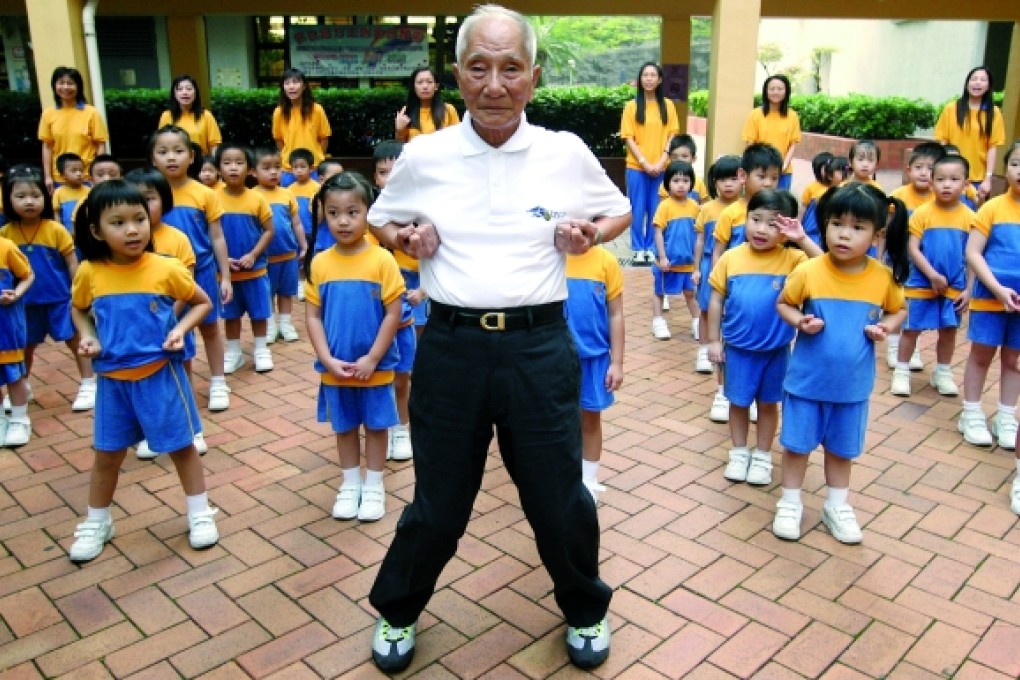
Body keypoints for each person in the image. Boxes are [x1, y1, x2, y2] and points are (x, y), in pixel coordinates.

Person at [365, 5, 630, 673]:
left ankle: (586, 608)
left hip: (538, 349)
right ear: (457, 76)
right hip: (451, 348)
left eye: (510, 68)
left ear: (533, 79)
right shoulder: (425, 154)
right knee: (440, 503)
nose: (494, 83)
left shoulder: (563, 151)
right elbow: (378, 219)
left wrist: (589, 236)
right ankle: (398, 612)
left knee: (557, 496)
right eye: (478, 67)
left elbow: (619, 206)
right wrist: (405, 239)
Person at [67, 180, 218, 562]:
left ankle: (200, 513)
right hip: (113, 382)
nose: (132, 229)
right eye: (118, 222)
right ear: (97, 231)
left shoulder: (166, 268)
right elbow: (79, 308)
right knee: (107, 454)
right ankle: (97, 520)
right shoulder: (89, 271)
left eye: (139, 219)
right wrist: (88, 336)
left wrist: (179, 330)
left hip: (160, 375)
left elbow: (201, 301)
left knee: (182, 447)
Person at [773, 182, 909, 544]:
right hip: (805, 383)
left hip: (852, 388)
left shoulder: (881, 278)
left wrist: (885, 327)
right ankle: (789, 502)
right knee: (797, 446)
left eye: (857, 227)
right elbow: (785, 303)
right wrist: (799, 321)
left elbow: (899, 310)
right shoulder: (809, 271)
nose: (844, 235)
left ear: (877, 234)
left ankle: (837, 505)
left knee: (841, 449)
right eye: (836, 224)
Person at [304, 172, 403, 521]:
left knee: (376, 427)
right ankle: (350, 483)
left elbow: (394, 313)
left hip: (374, 367)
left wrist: (373, 357)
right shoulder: (320, 262)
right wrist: (326, 358)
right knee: (344, 427)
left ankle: (374, 485)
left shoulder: (382, 260)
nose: (343, 221)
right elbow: (313, 316)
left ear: (368, 212)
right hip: (336, 368)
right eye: (333, 213)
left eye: (352, 212)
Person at [707, 189, 821, 487]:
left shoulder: (793, 258)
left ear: (785, 229)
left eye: (773, 224)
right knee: (738, 402)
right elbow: (716, 300)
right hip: (737, 349)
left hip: (776, 350)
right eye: (755, 219)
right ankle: (739, 452)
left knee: (769, 404)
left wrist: (800, 238)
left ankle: (762, 455)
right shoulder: (731, 258)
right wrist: (714, 341)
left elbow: (824, 264)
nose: (761, 229)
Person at [124, 167, 209, 458]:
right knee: (144, 381)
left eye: (148, 199)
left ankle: (191, 430)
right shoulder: (122, 244)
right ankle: (151, 432)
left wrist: (167, 319)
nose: (142, 208)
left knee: (180, 378)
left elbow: (187, 287)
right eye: (134, 200)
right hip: (135, 330)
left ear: (164, 200)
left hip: (173, 323)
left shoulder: (177, 239)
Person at [0, 165, 96, 415]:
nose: (29, 202)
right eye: (20, 196)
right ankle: (22, 385)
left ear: (46, 197)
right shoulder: (6, 234)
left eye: (35, 195)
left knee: (74, 340)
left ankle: (88, 383)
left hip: (60, 299)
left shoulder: (56, 230)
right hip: (22, 303)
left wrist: (79, 294)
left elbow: (72, 263)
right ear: (8, 200)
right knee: (24, 346)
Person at [150, 125, 234, 412]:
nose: (171, 158)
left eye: (178, 151)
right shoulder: (148, 195)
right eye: (162, 152)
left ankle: (218, 381)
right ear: (153, 159)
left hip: (202, 273)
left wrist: (226, 277)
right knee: (175, 331)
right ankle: (182, 386)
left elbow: (218, 236)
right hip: (164, 278)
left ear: (192, 156)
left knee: (210, 328)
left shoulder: (205, 194)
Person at [890, 153, 973, 399]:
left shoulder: (970, 217)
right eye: (941, 179)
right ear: (932, 182)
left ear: (966, 183)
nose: (947, 185)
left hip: (955, 286)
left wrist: (969, 289)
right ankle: (902, 371)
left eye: (954, 179)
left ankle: (943, 372)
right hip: (921, 282)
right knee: (912, 328)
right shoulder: (922, 213)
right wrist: (933, 275)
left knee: (948, 330)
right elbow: (913, 248)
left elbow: (973, 256)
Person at [958, 139, 1020, 458]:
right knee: (981, 354)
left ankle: (1006, 416)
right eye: (1015, 164)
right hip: (989, 297)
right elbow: (973, 252)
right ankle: (971, 412)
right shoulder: (992, 207)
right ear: (1004, 169)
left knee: (1014, 360)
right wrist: (997, 288)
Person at [566, 243, 624, 504]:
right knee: (555, 421)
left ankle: (588, 479)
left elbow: (616, 313)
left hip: (595, 358)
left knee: (590, 418)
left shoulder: (607, 262)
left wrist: (617, 362)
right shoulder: (548, 256)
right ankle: (559, 475)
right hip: (553, 358)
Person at [887, 142, 951, 376]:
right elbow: (887, 230)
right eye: (919, 167)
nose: (924, 172)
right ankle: (894, 345)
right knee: (898, 301)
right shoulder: (898, 197)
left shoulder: (940, 200)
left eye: (930, 168)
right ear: (908, 170)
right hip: (900, 257)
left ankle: (911, 349)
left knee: (917, 307)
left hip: (925, 263)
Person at [373, 140, 415, 461]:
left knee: (404, 371)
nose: (388, 178)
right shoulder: (368, 216)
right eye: (382, 172)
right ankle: (384, 427)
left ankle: (402, 427)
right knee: (379, 371)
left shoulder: (422, 207)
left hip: (410, 296)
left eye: (395, 171)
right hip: (377, 305)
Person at [215, 143, 275, 374]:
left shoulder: (257, 199)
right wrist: (223, 261)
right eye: (227, 162)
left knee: (259, 312)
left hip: (255, 271)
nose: (233, 168)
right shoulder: (211, 199)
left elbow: (269, 230)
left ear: (249, 169)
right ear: (219, 168)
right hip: (227, 272)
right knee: (231, 315)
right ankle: (234, 352)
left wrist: (253, 254)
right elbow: (209, 234)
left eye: (239, 163)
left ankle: (261, 350)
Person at [620, 62, 679, 264]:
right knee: (637, 208)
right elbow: (628, 138)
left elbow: (672, 135)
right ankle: (637, 248)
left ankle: (652, 247)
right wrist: (645, 163)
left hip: (661, 168)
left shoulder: (668, 106)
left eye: (653, 75)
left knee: (656, 208)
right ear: (640, 79)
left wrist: (662, 160)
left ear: (660, 79)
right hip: (636, 167)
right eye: (645, 75)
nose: (649, 78)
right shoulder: (631, 106)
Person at [694, 155, 741, 377]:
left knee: (730, 310)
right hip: (708, 264)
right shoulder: (707, 209)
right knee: (706, 308)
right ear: (714, 182)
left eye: (733, 178)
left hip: (737, 267)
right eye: (722, 179)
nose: (728, 184)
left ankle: (726, 349)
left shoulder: (748, 209)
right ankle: (704, 349)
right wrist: (696, 268)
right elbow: (701, 240)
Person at [253, 147, 307, 344]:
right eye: (266, 168)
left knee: (286, 291)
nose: (273, 172)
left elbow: (297, 223)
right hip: (264, 257)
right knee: (266, 293)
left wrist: (303, 245)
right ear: (253, 171)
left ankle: (285, 323)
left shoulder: (287, 194)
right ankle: (270, 325)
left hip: (288, 255)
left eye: (277, 167)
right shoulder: (252, 196)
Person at [935, 66, 1005, 202]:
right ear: (967, 83)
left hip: (976, 179)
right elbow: (943, 142)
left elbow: (992, 147)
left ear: (988, 86)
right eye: (974, 79)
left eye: (983, 80)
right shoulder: (951, 108)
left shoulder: (994, 112)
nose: (977, 83)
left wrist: (988, 178)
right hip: (950, 177)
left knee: (969, 219)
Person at [649, 160, 700, 342]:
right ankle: (658, 320)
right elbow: (658, 232)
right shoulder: (665, 206)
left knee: (690, 294)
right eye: (676, 180)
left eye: (686, 181)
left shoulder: (695, 206)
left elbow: (698, 235)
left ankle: (697, 322)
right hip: (668, 263)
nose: (681, 185)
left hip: (687, 262)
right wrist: (662, 257)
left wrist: (697, 263)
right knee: (659, 292)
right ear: (668, 183)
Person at [38, 66, 109, 192]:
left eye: (70, 83)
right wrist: (48, 177)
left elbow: (100, 145)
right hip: (59, 178)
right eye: (61, 83)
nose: (65, 87)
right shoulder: (48, 114)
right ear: (54, 86)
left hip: (86, 177)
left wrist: (97, 174)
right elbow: (47, 147)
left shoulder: (91, 113)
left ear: (78, 86)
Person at [0, 231, 34, 447]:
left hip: (5, 325)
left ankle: (20, 418)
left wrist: (16, 294)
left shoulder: (5, 247)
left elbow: (28, 274)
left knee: (13, 374)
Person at [273, 69, 332, 187]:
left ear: (304, 86)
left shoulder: (317, 110)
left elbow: (324, 138)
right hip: (289, 170)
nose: (291, 87)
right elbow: (279, 140)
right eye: (287, 83)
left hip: (313, 169)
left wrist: (316, 159)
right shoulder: (279, 112)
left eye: (295, 82)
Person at [742, 74, 802, 191]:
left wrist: (783, 165)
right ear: (766, 91)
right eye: (772, 89)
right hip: (760, 171)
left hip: (783, 171)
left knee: (780, 205)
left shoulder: (792, 116)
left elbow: (793, 144)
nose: (776, 92)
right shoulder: (755, 115)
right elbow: (751, 143)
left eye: (780, 89)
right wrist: (756, 166)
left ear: (786, 92)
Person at [157, 74, 223, 156]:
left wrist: (215, 165)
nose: (185, 92)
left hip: (200, 164)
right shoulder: (166, 116)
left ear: (195, 93)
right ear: (174, 94)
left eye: (189, 89)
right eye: (180, 89)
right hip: (174, 162)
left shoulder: (206, 115)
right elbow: (161, 143)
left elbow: (214, 145)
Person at [288, 149, 320, 303]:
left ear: (311, 168)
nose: (299, 171)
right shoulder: (289, 190)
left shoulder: (316, 187)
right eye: (295, 167)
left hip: (313, 230)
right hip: (296, 232)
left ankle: (312, 285)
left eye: (303, 167)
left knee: (312, 259)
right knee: (299, 259)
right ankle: (300, 285)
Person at [395, 66, 460, 142]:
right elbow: (401, 146)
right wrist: (400, 129)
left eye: (429, 82)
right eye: (420, 82)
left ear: (436, 86)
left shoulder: (448, 109)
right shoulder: (406, 111)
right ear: (413, 87)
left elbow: (458, 140)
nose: (425, 86)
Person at [801, 151, 845, 247]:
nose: (829, 171)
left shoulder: (840, 187)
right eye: (826, 168)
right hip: (812, 227)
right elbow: (804, 206)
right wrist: (799, 222)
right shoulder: (812, 187)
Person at [657, 135, 709, 204]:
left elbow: (703, 208)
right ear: (669, 158)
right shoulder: (665, 184)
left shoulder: (699, 183)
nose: (679, 160)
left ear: (693, 158)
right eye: (675, 157)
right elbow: (662, 209)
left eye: (684, 156)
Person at [52, 153, 89, 233]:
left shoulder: (89, 191)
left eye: (81, 170)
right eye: (74, 171)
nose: (79, 174)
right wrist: (60, 231)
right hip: (67, 233)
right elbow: (57, 214)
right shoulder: (58, 192)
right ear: (62, 175)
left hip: (86, 233)